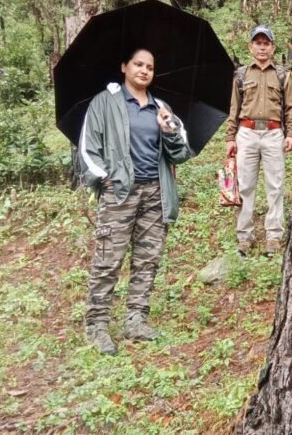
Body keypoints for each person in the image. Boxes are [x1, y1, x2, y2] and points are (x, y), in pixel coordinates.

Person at [79, 48, 193, 355]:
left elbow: (181, 151)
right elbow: (88, 149)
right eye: (138, 64)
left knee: (147, 259)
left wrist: (168, 127)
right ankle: (97, 325)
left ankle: (136, 319)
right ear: (124, 67)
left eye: (150, 67)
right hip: (119, 192)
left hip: (155, 192)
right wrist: (105, 178)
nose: (144, 70)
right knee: (108, 260)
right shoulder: (104, 103)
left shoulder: (162, 106)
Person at [225, 25, 292, 256]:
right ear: (251, 47)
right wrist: (230, 137)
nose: (262, 47)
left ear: (273, 47)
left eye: (266, 43)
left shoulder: (283, 75)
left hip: (274, 133)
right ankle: (244, 237)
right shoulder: (241, 75)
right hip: (246, 133)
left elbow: (291, 107)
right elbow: (234, 108)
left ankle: (274, 236)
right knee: (245, 186)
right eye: (258, 42)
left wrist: (291, 134)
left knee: (275, 186)